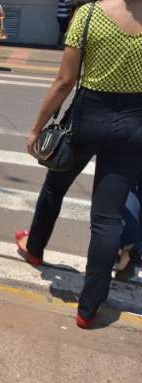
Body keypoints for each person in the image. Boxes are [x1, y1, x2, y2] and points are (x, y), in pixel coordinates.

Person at [17, 0, 142, 329]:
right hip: (133, 127)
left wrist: (36, 127)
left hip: (86, 121)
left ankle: (34, 249)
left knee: (54, 187)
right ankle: (88, 309)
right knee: (106, 219)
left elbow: (64, 80)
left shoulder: (89, 15)